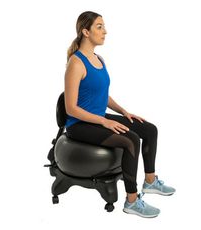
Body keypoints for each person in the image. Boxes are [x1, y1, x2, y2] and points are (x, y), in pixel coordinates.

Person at [64, 11, 175, 218]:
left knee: (149, 129)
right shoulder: (76, 63)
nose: (105, 31)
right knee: (131, 140)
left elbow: (102, 95)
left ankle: (150, 181)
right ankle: (131, 201)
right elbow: (71, 108)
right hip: (79, 124)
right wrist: (104, 121)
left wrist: (124, 112)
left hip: (98, 117)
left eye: (103, 26)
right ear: (85, 32)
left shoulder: (99, 59)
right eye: (99, 27)